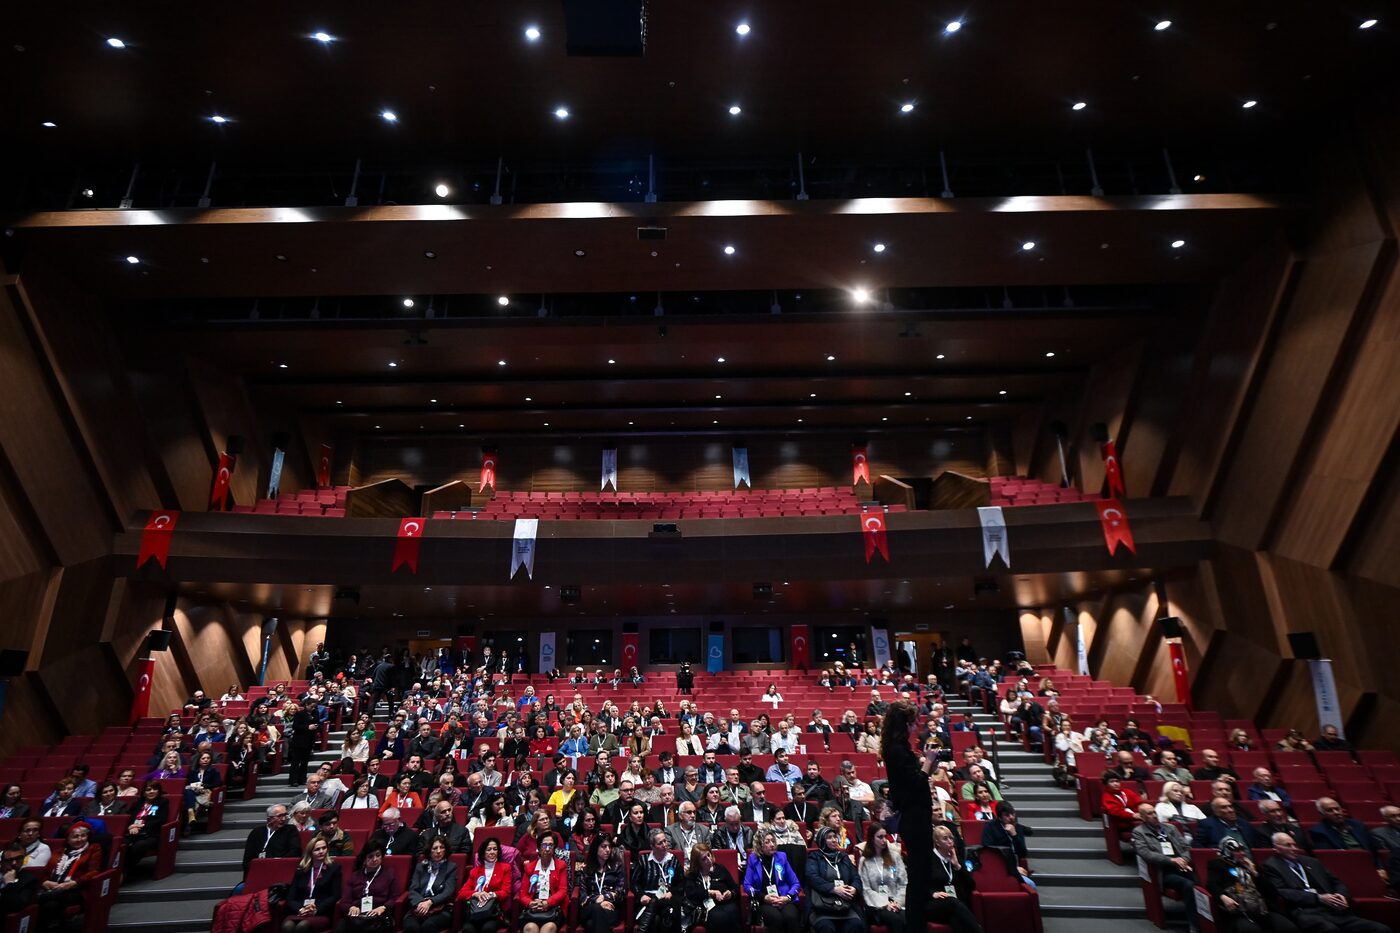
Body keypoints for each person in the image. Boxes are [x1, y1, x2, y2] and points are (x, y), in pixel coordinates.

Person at [879, 699, 936, 933]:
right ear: (904, 724)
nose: (916, 727)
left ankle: (919, 922)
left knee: (922, 874)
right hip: (913, 818)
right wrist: (928, 762)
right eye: (913, 723)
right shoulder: (896, 749)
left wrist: (929, 765)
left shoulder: (899, 747)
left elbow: (917, 782)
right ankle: (915, 926)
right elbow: (914, 784)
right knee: (918, 875)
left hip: (918, 815)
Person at [1257, 832, 1387, 933]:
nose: (1294, 848)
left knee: (1380, 929)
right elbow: (1281, 891)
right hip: (1304, 911)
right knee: (1329, 930)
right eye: (1288, 845)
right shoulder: (1271, 866)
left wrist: (1341, 895)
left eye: (1294, 844)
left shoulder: (1311, 862)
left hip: (1332, 909)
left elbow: (1336, 881)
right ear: (1276, 848)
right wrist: (1318, 898)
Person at [1131, 804, 1198, 931]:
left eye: (1154, 812)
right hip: (1164, 871)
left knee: (1202, 882)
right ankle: (1194, 924)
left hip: (1183, 865)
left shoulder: (1170, 828)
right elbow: (1146, 854)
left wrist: (1184, 859)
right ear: (1143, 818)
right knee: (1188, 885)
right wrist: (1172, 860)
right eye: (1149, 814)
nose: (1154, 816)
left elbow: (1186, 847)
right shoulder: (1139, 832)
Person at [1206, 838, 1296, 933]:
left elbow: (1272, 891)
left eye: (1242, 850)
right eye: (1237, 851)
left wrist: (1254, 872)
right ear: (1227, 851)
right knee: (1251, 930)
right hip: (1238, 911)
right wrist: (1223, 897)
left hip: (1262, 909)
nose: (1242, 853)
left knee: (1288, 927)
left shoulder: (1250, 864)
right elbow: (1212, 885)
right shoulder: (1217, 865)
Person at [36, 822, 102, 933]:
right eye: (75, 836)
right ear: (67, 839)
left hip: (76, 889)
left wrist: (74, 883)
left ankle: (39, 898)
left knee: (51, 902)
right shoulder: (59, 852)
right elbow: (46, 872)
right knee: (51, 905)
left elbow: (94, 872)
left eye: (83, 836)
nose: (80, 839)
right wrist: (45, 882)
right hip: (53, 888)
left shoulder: (93, 849)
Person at [806, 826, 865, 933]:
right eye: (829, 837)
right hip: (823, 906)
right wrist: (833, 889)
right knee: (827, 928)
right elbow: (812, 878)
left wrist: (854, 888)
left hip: (845, 905)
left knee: (855, 925)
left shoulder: (843, 857)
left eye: (834, 837)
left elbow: (856, 877)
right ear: (822, 841)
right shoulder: (814, 857)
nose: (834, 840)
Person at [742, 829, 801, 933]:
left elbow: (795, 883)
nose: (772, 844)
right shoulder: (753, 859)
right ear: (759, 845)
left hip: (783, 899)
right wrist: (763, 897)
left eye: (773, 841)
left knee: (791, 917)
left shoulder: (781, 857)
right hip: (765, 901)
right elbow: (747, 885)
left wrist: (787, 898)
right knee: (776, 918)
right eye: (767, 842)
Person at [928, 825, 983, 933]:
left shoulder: (955, 858)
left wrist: (957, 866)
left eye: (951, 838)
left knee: (956, 920)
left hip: (954, 905)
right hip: (934, 903)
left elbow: (971, 885)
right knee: (954, 903)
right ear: (937, 843)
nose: (950, 841)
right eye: (945, 838)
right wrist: (932, 894)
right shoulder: (929, 860)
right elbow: (919, 885)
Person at [283, 836, 342, 933]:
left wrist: (316, 909)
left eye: (324, 848)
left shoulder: (334, 869)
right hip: (301, 912)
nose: (321, 851)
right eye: (317, 849)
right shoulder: (301, 871)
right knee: (287, 926)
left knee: (302, 926)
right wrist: (300, 909)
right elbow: (290, 898)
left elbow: (335, 896)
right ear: (310, 852)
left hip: (320, 913)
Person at [336, 841, 399, 933]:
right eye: (370, 856)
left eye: (378, 855)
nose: (375, 859)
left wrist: (383, 907)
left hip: (378, 914)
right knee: (341, 927)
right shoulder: (355, 876)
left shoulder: (389, 874)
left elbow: (395, 897)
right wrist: (351, 907)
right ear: (364, 859)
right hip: (357, 915)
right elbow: (345, 901)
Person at [401, 834, 457, 933]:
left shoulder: (451, 867)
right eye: (435, 848)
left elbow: (448, 892)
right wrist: (420, 903)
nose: (438, 851)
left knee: (428, 926)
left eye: (442, 847)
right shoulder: (420, 866)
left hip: (440, 909)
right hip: (418, 907)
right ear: (429, 851)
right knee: (411, 927)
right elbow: (413, 889)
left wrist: (430, 902)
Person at [859, 823, 908, 933]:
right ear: (872, 839)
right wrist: (885, 904)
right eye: (880, 837)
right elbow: (866, 889)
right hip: (876, 905)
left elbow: (903, 883)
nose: (884, 840)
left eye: (885, 836)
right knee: (896, 920)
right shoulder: (865, 861)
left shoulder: (894, 857)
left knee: (909, 918)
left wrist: (898, 903)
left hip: (895, 901)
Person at [684, 842, 741, 933]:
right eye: (704, 858)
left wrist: (731, 894)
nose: (709, 859)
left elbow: (735, 888)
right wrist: (710, 892)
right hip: (705, 908)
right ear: (697, 862)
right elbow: (691, 893)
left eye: (708, 855)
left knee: (733, 911)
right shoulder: (692, 875)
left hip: (725, 904)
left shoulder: (720, 869)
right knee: (718, 917)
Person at [519, 833, 568, 933]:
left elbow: (563, 891)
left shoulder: (561, 865)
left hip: (553, 907)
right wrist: (530, 903)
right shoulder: (529, 867)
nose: (547, 848)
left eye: (551, 845)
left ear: (554, 848)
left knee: (549, 928)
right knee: (530, 928)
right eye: (544, 845)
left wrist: (547, 903)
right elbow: (523, 894)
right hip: (534, 907)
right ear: (538, 848)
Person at [578, 835, 627, 933]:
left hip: (610, 911)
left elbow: (620, 892)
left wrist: (604, 898)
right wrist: (598, 901)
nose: (608, 850)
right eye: (603, 847)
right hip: (590, 909)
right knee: (596, 909)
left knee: (591, 924)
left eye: (609, 846)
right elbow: (582, 896)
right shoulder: (586, 869)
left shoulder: (617, 867)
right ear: (596, 848)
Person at [123, 780, 169, 879]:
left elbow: (161, 819)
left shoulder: (162, 802)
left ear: (159, 791)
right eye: (148, 789)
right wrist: (131, 826)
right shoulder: (138, 802)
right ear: (144, 792)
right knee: (122, 844)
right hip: (132, 831)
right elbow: (128, 816)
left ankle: (125, 871)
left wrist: (140, 826)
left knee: (139, 846)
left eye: (155, 789)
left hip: (151, 834)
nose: (151, 791)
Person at [242, 803, 300, 875]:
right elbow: (247, 860)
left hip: (282, 870)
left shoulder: (290, 830)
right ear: (269, 819)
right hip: (260, 872)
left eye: (285, 815)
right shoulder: (256, 833)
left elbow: (295, 851)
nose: (284, 819)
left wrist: (276, 863)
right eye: (279, 816)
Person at [1309, 798, 1380, 855]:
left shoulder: (1358, 825)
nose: (1336, 813)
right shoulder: (1319, 832)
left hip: (1370, 862)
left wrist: (1380, 868)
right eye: (1330, 810)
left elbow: (1374, 850)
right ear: (1322, 814)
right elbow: (1330, 857)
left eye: (1337, 809)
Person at [1196, 797, 1267, 850]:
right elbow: (1198, 846)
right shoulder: (1207, 824)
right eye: (1224, 807)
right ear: (1216, 812)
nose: (1230, 810)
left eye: (1230, 806)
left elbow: (1258, 845)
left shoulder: (1244, 823)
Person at [0, 842, 39, 924]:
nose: (14, 863)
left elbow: (16, 907)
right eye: (9, 860)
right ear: (2, 862)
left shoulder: (29, 880)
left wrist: (10, 883)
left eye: (19, 859)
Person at [1102, 772, 1144, 837]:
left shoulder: (1127, 791)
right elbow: (1116, 811)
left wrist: (1143, 811)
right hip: (1123, 822)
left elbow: (1139, 802)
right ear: (1106, 784)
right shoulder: (1107, 797)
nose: (1115, 784)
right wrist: (1133, 815)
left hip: (1137, 817)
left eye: (1117, 781)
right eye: (1112, 782)